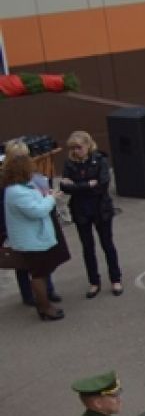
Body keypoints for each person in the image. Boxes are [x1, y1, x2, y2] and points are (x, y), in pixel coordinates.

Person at [5, 142, 69, 320]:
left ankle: (45, 303)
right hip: (31, 241)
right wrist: (51, 198)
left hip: (35, 238)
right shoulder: (16, 191)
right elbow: (37, 211)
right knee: (38, 274)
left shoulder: (23, 186)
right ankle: (45, 307)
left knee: (41, 270)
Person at [55, 130, 121, 298]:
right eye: (73, 148)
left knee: (107, 244)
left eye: (79, 147)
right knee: (87, 247)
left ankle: (115, 279)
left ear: (87, 145)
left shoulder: (100, 160)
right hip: (81, 210)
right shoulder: (70, 163)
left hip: (101, 208)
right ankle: (94, 282)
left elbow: (102, 185)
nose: (76, 151)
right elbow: (64, 186)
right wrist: (87, 185)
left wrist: (77, 186)